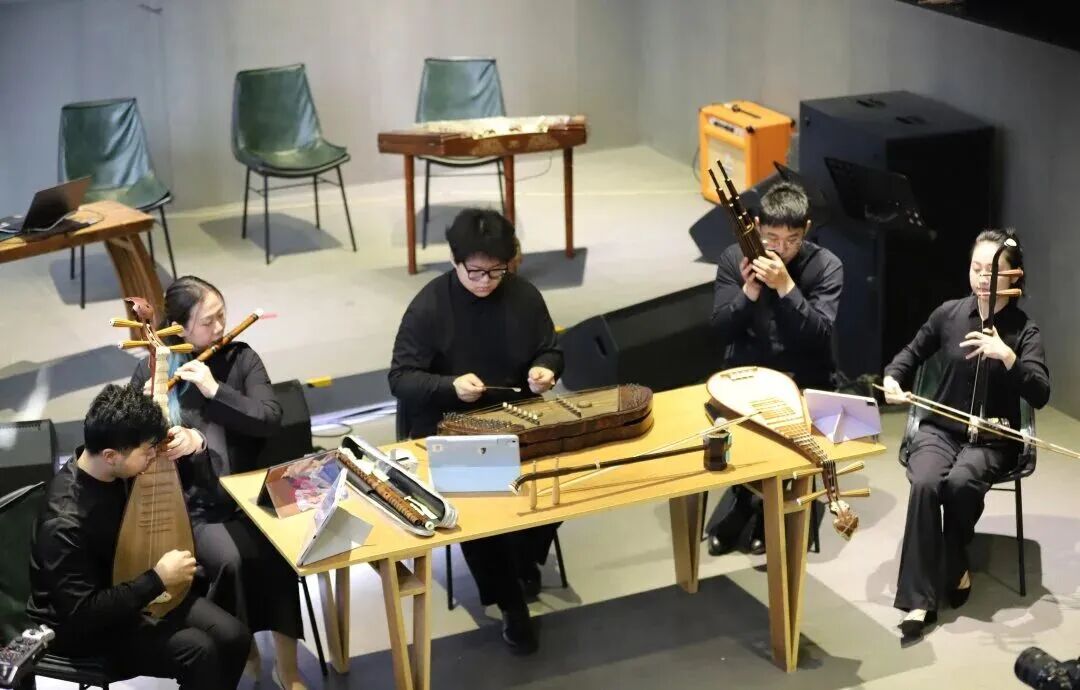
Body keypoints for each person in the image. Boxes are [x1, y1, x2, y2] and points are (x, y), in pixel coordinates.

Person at [388, 208, 562, 654]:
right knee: (484, 510)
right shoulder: (429, 306)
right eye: (476, 272)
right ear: (454, 260)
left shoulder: (523, 295)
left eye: (497, 271)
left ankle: (523, 561)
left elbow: (550, 349)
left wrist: (545, 369)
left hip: (517, 417)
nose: (486, 282)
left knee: (562, 480)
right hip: (451, 426)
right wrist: (449, 386)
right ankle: (510, 603)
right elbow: (401, 379)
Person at [129, 275, 306, 689]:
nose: (220, 327)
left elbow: (269, 418)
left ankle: (288, 669)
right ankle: (244, 650)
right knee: (231, 559)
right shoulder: (154, 366)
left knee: (283, 551)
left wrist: (215, 390)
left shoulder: (242, 358)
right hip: (193, 504)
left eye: (222, 315)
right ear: (180, 327)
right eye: (208, 322)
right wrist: (155, 416)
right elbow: (132, 445)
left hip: (252, 493)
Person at [26, 384, 251, 690]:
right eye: (147, 451)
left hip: (131, 590)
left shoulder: (114, 466)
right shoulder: (64, 522)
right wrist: (157, 579)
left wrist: (192, 440)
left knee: (235, 637)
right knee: (199, 651)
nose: (152, 457)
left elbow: (174, 468)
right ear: (110, 456)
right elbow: (82, 613)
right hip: (83, 630)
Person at [882, 229, 1049, 639]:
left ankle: (953, 558)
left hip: (995, 438)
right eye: (976, 269)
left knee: (960, 483)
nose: (981, 279)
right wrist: (892, 379)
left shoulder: (1025, 331)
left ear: (1013, 277)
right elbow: (910, 354)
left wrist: (1007, 356)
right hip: (941, 429)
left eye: (991, 272)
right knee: (925, 482)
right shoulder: (949, 314)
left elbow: (1040, 393)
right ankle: (919, 602)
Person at [706, 181, 843, 555]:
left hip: (802, 378)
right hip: (747, 374)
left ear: (806, 230)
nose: (780, 249)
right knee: (725, 420)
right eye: (771, 238)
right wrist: (748, 293)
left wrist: (786, 287)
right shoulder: (733, 258)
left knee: (786, 427)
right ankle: (743, 501)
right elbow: (719, 330)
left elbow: (818, 336)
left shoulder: (827, 266)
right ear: (756, 226)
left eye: (791, 240)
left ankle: (772, 506)